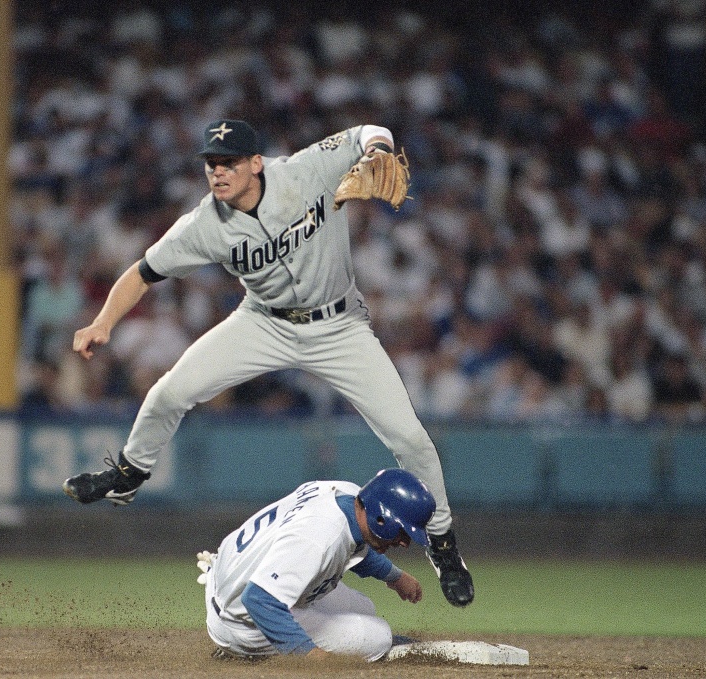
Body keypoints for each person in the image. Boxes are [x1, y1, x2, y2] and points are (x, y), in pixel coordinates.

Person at [64, 119, 473, 607]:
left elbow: (369, 130)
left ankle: (446, 550)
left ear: (256, 163)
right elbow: (143, 272)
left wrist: (379, 150)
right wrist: (103, 321)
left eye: (229, 162)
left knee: (410, 440)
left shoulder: (305, 171)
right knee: (170, 391)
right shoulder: (204, 226)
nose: (218, 172)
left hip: (339, 327)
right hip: (264, 323)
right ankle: (130, 472)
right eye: (211, 164)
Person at [197, 468, 434, 661]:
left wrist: (394, 576)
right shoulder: (318, 537)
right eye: (403, 532)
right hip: (242, 620)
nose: (404, 543)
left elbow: (353, 542)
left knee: (365, 609)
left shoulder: (349, 496)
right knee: (378, 637)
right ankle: (243, 653)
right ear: (382, 519)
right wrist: (308, 654)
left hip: (236, 574)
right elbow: (258, 600)